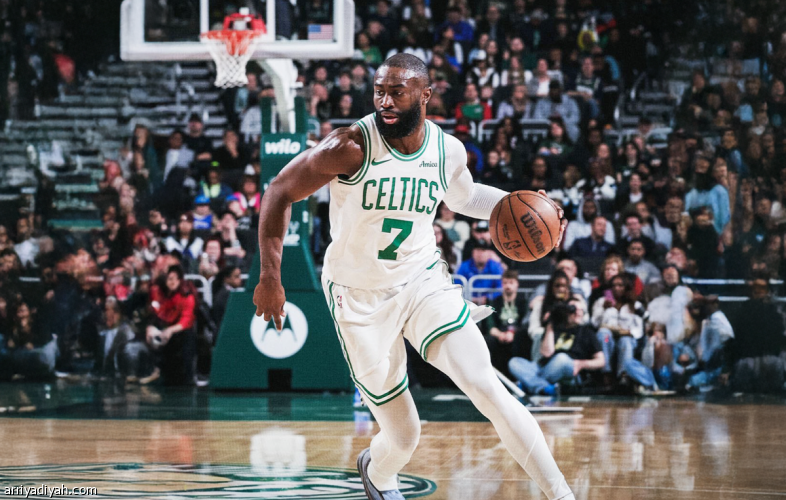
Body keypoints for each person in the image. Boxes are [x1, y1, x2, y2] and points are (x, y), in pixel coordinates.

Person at [252, 54, 574, 500]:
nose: (385, 101)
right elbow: (278, 191)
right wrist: (270, 276)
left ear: (425, 95)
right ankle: (379, 472)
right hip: (359, 296)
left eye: (396, 92)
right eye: (379, 91)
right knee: (405, 436)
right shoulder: (349, 147)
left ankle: (562, 495)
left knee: (485, 385)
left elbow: (465, 198)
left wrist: (526, 207)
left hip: (422, 281)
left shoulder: (447, 150)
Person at [509, 299, 605, 395]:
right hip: (544, 367)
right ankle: (544, 388)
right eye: (573, 309)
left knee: (562, 358)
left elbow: (601, 361)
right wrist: (550, 324)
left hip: (568, 367)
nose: (578, 312)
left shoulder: (587, 332)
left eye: (581, 310)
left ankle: (529, 384)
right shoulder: (555, 328)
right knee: (514, 362)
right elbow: (546, 353)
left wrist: (581, 364)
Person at [591, 274, 644, 382]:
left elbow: (640, 328)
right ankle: (606, 374)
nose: (616, 288)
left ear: (626, 287)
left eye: (620, 285)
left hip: (627, 337)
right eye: (614, 285)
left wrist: (629, 332)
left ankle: (624, 375)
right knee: (603, 335)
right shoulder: (602, 302)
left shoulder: (635, 305)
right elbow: (594, 323)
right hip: (608, 338)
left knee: (625, 341)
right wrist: (603, 309)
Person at [484, 269, 529, 377]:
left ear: (517, 284)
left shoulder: (523, 302)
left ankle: (518, 375)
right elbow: (490, 325)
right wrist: (500, 334)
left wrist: (513, 333)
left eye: (511, 283)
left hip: (517, 335)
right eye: (505, 283)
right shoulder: (494, 302)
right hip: (499, 334)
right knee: (488, 340)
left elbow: (525, 324)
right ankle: (492, 375)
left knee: (523, 338)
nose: (508, 286)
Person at [456, 239, 505, 305]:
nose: (480, 253)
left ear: (489, 253)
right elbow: (457, 286)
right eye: (477, 250)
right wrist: (469, 298)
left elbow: (501, 287)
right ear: (473, 252)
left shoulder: (495, 266)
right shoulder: (464, 266)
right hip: (468, 303)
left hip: (491, 304)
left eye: (483, 250)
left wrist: (488, 298)